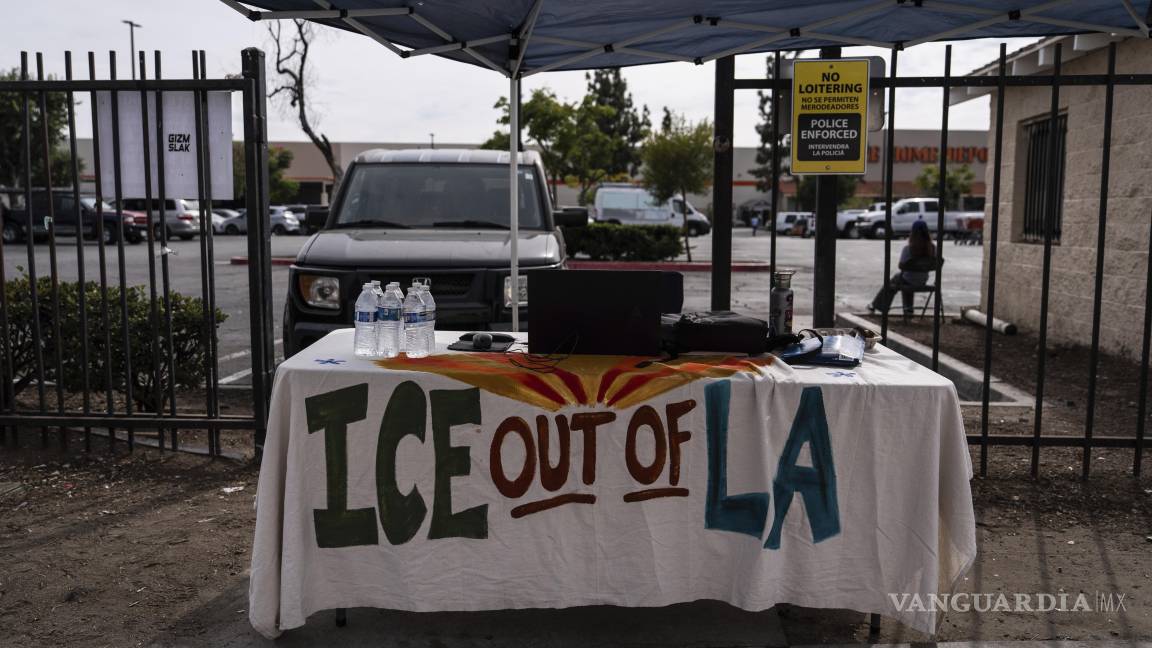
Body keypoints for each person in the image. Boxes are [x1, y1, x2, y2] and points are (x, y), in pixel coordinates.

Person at [867, 219, 936, 317]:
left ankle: (876, 306)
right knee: (903, 280)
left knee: (896, 281)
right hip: (923, 280)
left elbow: (901, 266)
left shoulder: (908, 248)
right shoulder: (932, 248)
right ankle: (908, 310)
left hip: (908, 280)